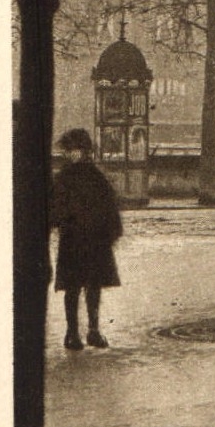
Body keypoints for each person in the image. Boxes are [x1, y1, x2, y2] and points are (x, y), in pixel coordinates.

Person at [51, 128, 122, 350]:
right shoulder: (66, 177)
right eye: (69, 150)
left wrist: (109, 234)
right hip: (76, 240)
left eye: (74, 150)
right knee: (73, 288)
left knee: (93, 287)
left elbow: (110, 208)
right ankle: (72, 333)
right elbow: (54, 210)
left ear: (84, 151)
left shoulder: (94, 177)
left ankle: (92, 330)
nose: (71, 154)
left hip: (91, 241)